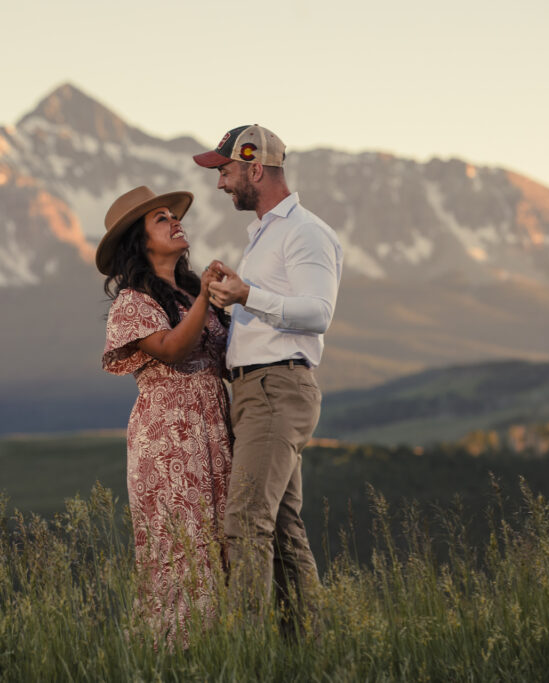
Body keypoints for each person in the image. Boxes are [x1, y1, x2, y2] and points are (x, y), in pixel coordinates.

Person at [193, 125, 343, 629]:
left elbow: (318, 313)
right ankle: (310, 648)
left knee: (245, 525)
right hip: (257, 391)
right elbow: (270, 313)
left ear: (256, 168)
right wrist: (229, 298)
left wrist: (247, 296)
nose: (221, 184)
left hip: (277, 390)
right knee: (280, 528)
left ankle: (247, 652)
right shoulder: (264, 236)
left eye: (227, 171)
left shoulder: (305, 232)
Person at [97, 185, 233, 646]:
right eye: (161, 220)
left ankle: (221, 651)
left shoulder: (191, 291)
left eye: (173, 217)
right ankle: (171, 655)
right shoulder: (132, 303)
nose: (176, 222)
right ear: (141, 240)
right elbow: (173, 350)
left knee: (220, 538)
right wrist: (206, 302)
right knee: (181, 546)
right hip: (168, 439)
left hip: (214, 429)